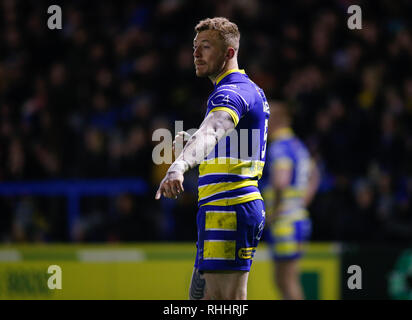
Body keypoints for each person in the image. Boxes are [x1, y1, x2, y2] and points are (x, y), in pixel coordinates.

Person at [155, 17, 270, 300]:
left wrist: (178, 165)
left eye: (205, 47)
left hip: (229, 208)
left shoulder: (232, 91)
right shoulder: (247, 90)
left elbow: (214, 128)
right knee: (203, 298)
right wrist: (194, 149)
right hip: (225, 207)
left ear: (229, 53)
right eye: (195, 47)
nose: (196, 54)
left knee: (225, 302)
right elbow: (227, 143)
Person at [259, 101, 320, 300]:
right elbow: (315, 175)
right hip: (297, 218)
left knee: (287, 280)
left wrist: (275, 212)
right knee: (282, 279)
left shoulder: (279, 147)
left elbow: (280, 181)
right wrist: (302, 202)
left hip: (285, 223)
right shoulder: (298, 145)